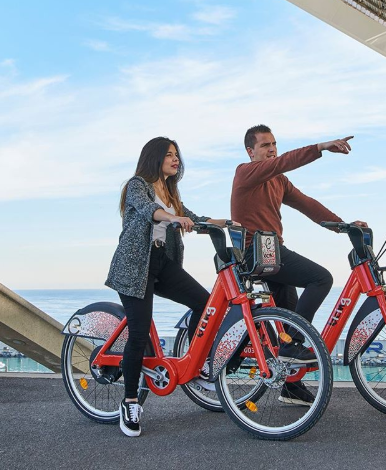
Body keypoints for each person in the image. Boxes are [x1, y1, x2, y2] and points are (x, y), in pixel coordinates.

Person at [231, 125, 367, 406]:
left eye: (274, 144)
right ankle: (290, 346)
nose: (272, 149)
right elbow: (283, 162)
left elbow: (307, 204)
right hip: (254, 253)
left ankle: (290, 385)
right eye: (265, 145)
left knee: (290, 313)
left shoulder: (279, 181)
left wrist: (344, 226)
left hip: (273, 253)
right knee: (321, 279)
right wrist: (320, 147)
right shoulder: (245, 172)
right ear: (250, 151)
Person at [106, 137, 231, 437]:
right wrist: (173, 217)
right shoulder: (137, 185)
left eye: (177, 155)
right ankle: (130, 402)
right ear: (155, 157)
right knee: (139, 332)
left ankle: (197, 361)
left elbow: (194, 219)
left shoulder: (171, 191)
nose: (176, 159)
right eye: (169, 155)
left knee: (205, 304)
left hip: (162, 262)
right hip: (135, 266)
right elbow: (150, 210)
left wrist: (226, 222)